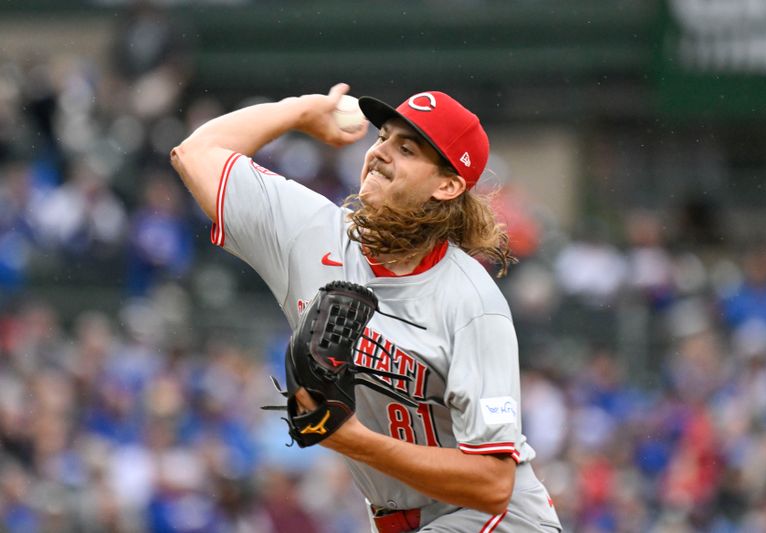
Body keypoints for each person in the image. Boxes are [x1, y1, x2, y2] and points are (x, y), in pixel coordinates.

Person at [171, 83, 561, 532]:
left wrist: (352, 439)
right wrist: (300, 111)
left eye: (407, 148)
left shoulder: (472, 303)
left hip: (494, 520)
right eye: (381, 138)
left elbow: (493, 484)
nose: (380, 152)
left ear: (448, 184)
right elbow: (196, 152)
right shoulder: (312, 234)